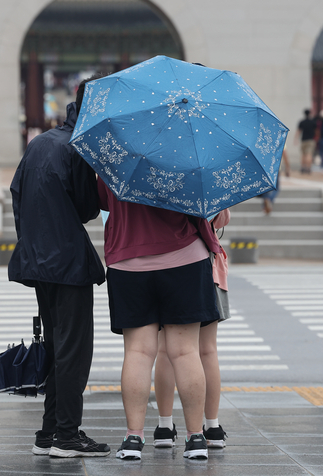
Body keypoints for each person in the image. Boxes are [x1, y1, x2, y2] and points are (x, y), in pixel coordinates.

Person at [8, 75, 110, 458]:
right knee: (74, 351)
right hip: (67, 262)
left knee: (55, 346)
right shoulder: (78, 148)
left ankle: (49, 432)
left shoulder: (42, 142)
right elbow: (87, 209)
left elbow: (18, 195)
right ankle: (67, 435)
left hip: (38, 260)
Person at [99, 175, 223, 461]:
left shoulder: (115, 155)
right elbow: (206, 208)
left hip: (127, 261)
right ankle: (196, 438)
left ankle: (133, 437)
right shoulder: (185, 154)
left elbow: (103, 202)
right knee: (185, 352)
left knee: (138, 352)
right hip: (184, 260)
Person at [153, 210, 231, 450]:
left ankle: (164, 426)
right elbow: (221, 219)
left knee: (165, 350)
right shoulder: (203, 174)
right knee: (207, 350)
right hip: (206, 265)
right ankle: (212, 427)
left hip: (160, 263)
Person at [294, 109, 317, 174]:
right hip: (310, 140)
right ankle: (308, 168)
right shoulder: (313, 122)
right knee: (309, 154)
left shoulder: (302, 122)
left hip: (303, 140)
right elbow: (316, 131)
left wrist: (296, 139)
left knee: (303, 155)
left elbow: (298, 131)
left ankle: (303, 167)